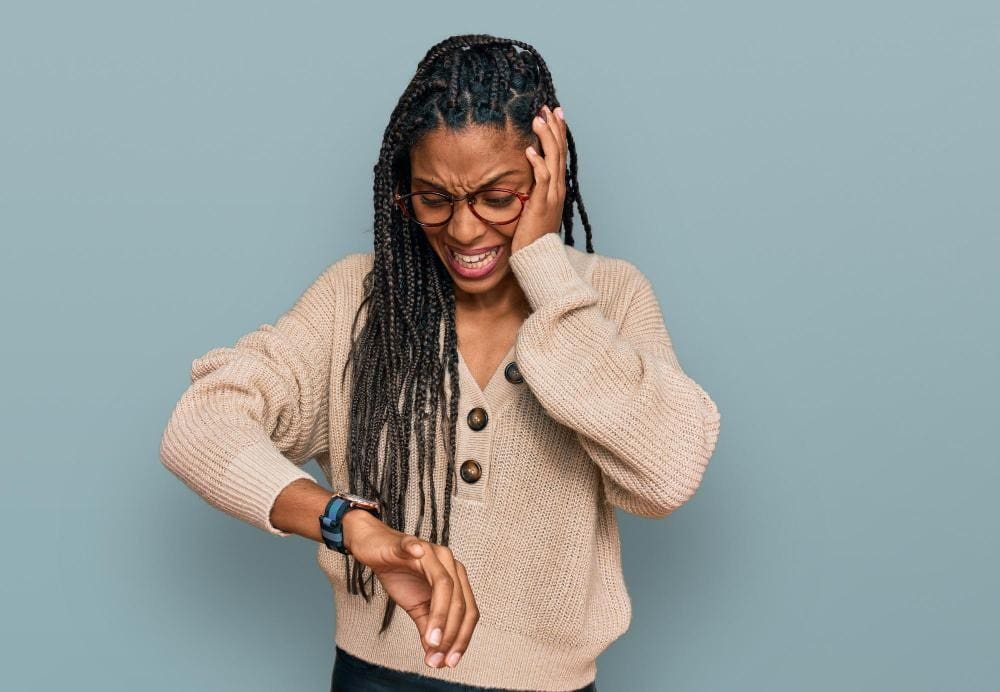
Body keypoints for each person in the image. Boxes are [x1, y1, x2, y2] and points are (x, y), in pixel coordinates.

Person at [159, 33, 721, 692]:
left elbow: (667, 475)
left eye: (497, 196)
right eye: (434, 198)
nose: (462, 230)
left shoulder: (609, 299)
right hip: (373, 679)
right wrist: (351, 526)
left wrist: (543, 265)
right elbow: (200, 426)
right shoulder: (357, 300)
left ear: (547, 175)